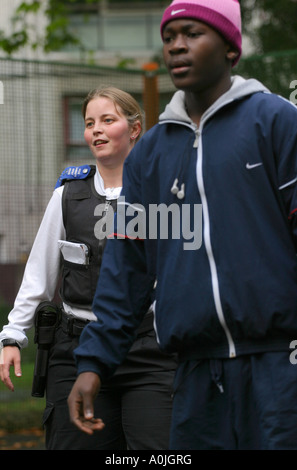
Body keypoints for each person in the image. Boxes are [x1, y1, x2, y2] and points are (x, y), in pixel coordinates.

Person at [67, 0, 297, 450]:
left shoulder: (274, 122)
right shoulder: (151, 154)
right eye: (170, 36)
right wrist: (93, 363)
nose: (177, 46)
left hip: (280, 365)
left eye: (193, 34)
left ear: (231, 49)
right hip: (195, 376)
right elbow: (128, 267)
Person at [0, 86, 177, 450]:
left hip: (149, 350)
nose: (95, 130)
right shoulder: (67, 195)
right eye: (89, 123)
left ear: (134, 128)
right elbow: (39, 276)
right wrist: (13, 334)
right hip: (76, 350)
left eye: (107, 120)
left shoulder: (160, 195)